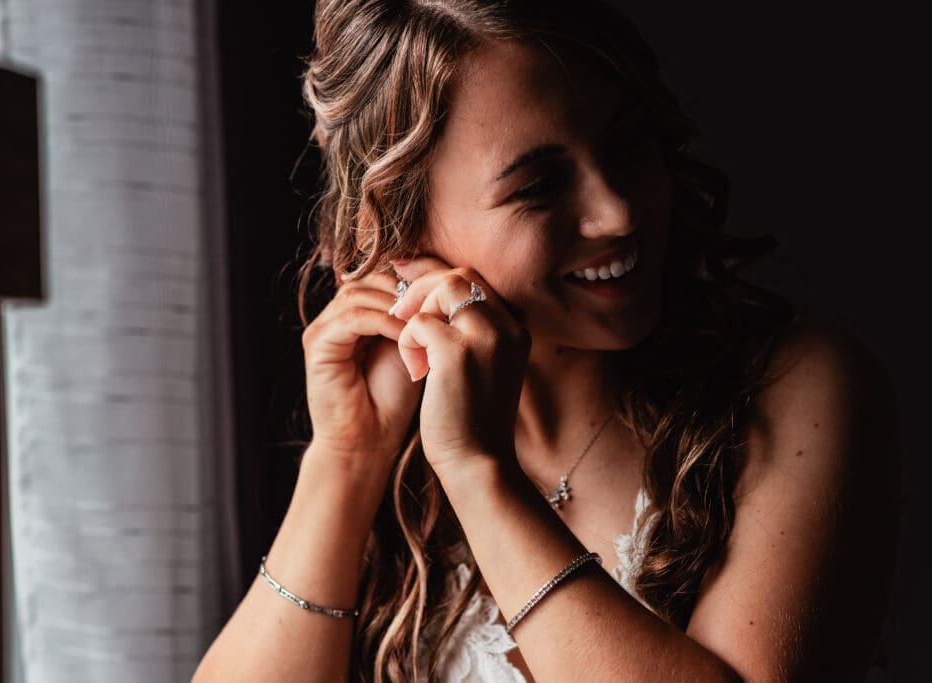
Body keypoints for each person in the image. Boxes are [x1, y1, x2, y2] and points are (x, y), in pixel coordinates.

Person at [194, 1, 902, 680]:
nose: (617, 212)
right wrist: (347, 460)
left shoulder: (802, 392)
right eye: (539, 185)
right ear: (402, 233)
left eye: (626, 144)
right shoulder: (391, 464)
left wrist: (478, 473)